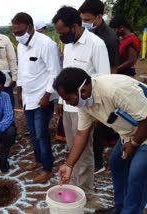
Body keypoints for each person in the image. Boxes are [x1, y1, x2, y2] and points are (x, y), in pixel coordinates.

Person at [55, 67, 147, 214]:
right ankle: (120, 207)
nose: (67, 103)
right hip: (132, 132)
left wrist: (134, 144)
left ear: (82, 90)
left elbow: (145, 119)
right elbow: (81, 134)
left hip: (144, 127)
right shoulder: (83, 103)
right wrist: (69, 165)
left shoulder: (114, 90)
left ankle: (131, 211)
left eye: (67, 98)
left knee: (138, 174)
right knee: (117, 163)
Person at [52, 6, 110, 198]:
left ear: (75, 26)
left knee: (84, 152)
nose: (61, 37)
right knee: (73, 148)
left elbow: (104, 80)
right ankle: (76, 183)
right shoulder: (68, 45)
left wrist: (98, 114)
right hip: (69, 107)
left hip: (87, 108)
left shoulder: (96, 45)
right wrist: (60, 101)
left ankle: (84, 192)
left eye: (63, 32)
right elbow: (64, 77)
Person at [11, 13, 61, 183]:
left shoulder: (47, 44)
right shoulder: (21, 45)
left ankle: (47, 168)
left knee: (42, 134)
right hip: (27, 97)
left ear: (30, 28)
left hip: (42, 98)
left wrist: (47, 96)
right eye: (15, 33)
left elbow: (55, 72)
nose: (17, 36)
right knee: (32, 132)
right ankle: (38, 160)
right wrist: (19, 87)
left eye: (20, 32)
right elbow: (22, 69)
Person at [79, 0, 120, 174]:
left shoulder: (109, 38)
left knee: (99, 127)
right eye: (82, 19)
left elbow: (113, 69)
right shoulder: (86, 34)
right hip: (87, 87)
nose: (84, 23)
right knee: (87, 128)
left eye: (87, 20)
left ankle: (97, 162)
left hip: (102, 87)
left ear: (98, 17)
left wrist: (105, 97)